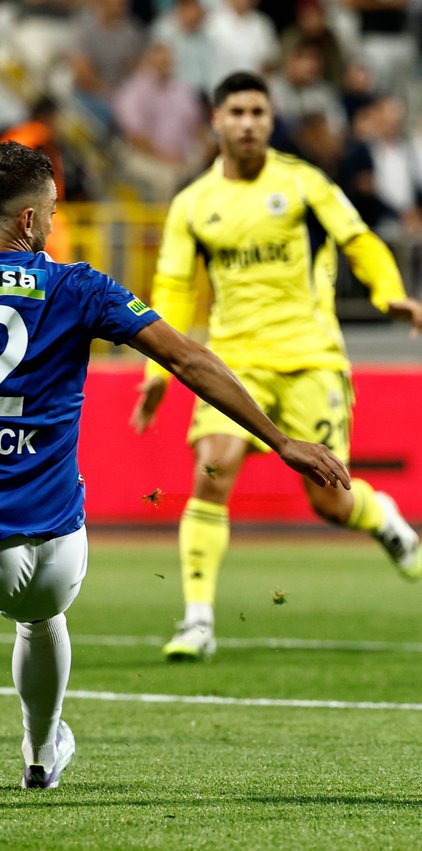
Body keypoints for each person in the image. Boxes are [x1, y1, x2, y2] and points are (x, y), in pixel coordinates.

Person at [0, 140, 349, 790]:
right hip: (48, 542)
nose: (51, 223)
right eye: (48, 212)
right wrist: (280, 440)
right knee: (41, 618)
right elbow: (189, 359)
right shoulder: (79, 287)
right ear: (28, 220)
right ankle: (42, 753)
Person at [131, 71, 422, 661]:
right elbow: (171, 287)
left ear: (271, 121)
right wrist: (154, 375)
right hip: (235, 363)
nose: (248, 123)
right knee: (211, 471)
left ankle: (380, 515)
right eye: (237, 112)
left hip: (310, 359)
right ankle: (196, 619)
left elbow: (359, 239)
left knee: (329, 500)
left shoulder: (301, 183)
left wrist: (387, 291)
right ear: (216, 120)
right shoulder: (193, 203)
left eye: (259, 113)